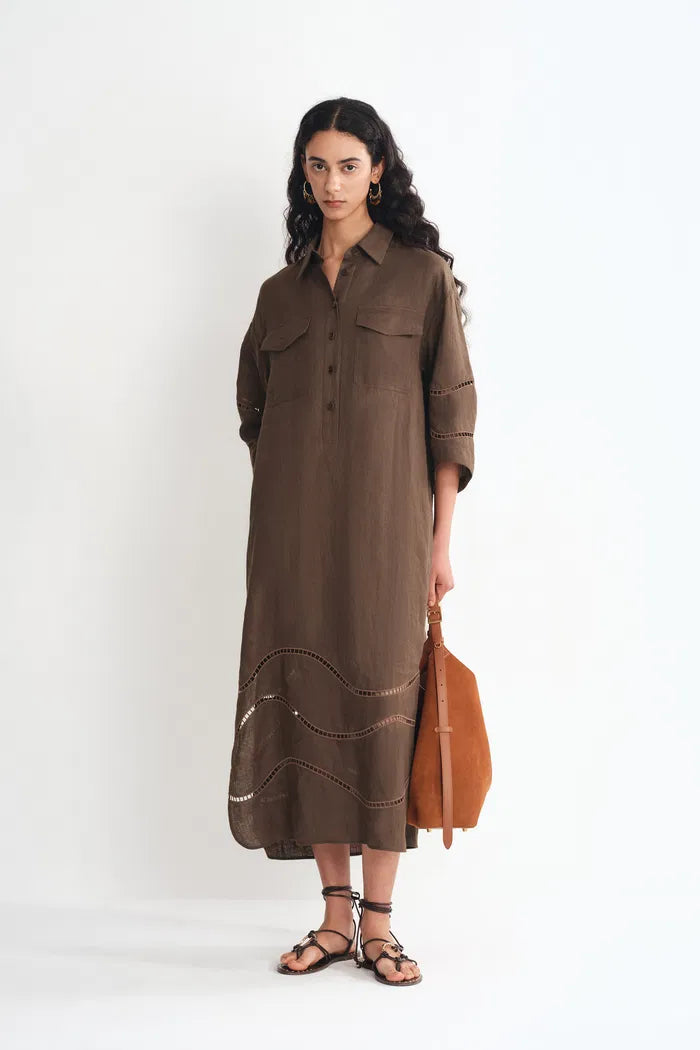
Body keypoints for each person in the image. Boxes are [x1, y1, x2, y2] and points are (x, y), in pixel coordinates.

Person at [227, 97, 477, 986]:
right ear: (303, 175)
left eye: (347, 166)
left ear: (377, 172)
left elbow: (450, 416)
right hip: (289, 541)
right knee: (307, 706)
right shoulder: (278, 294)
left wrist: (439, 542)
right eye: (317, 166)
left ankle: (381, 926)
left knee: (382, 711)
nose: (331, 183)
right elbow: (255, 411)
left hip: (387, 536)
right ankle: (334, 918)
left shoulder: (420, 278)